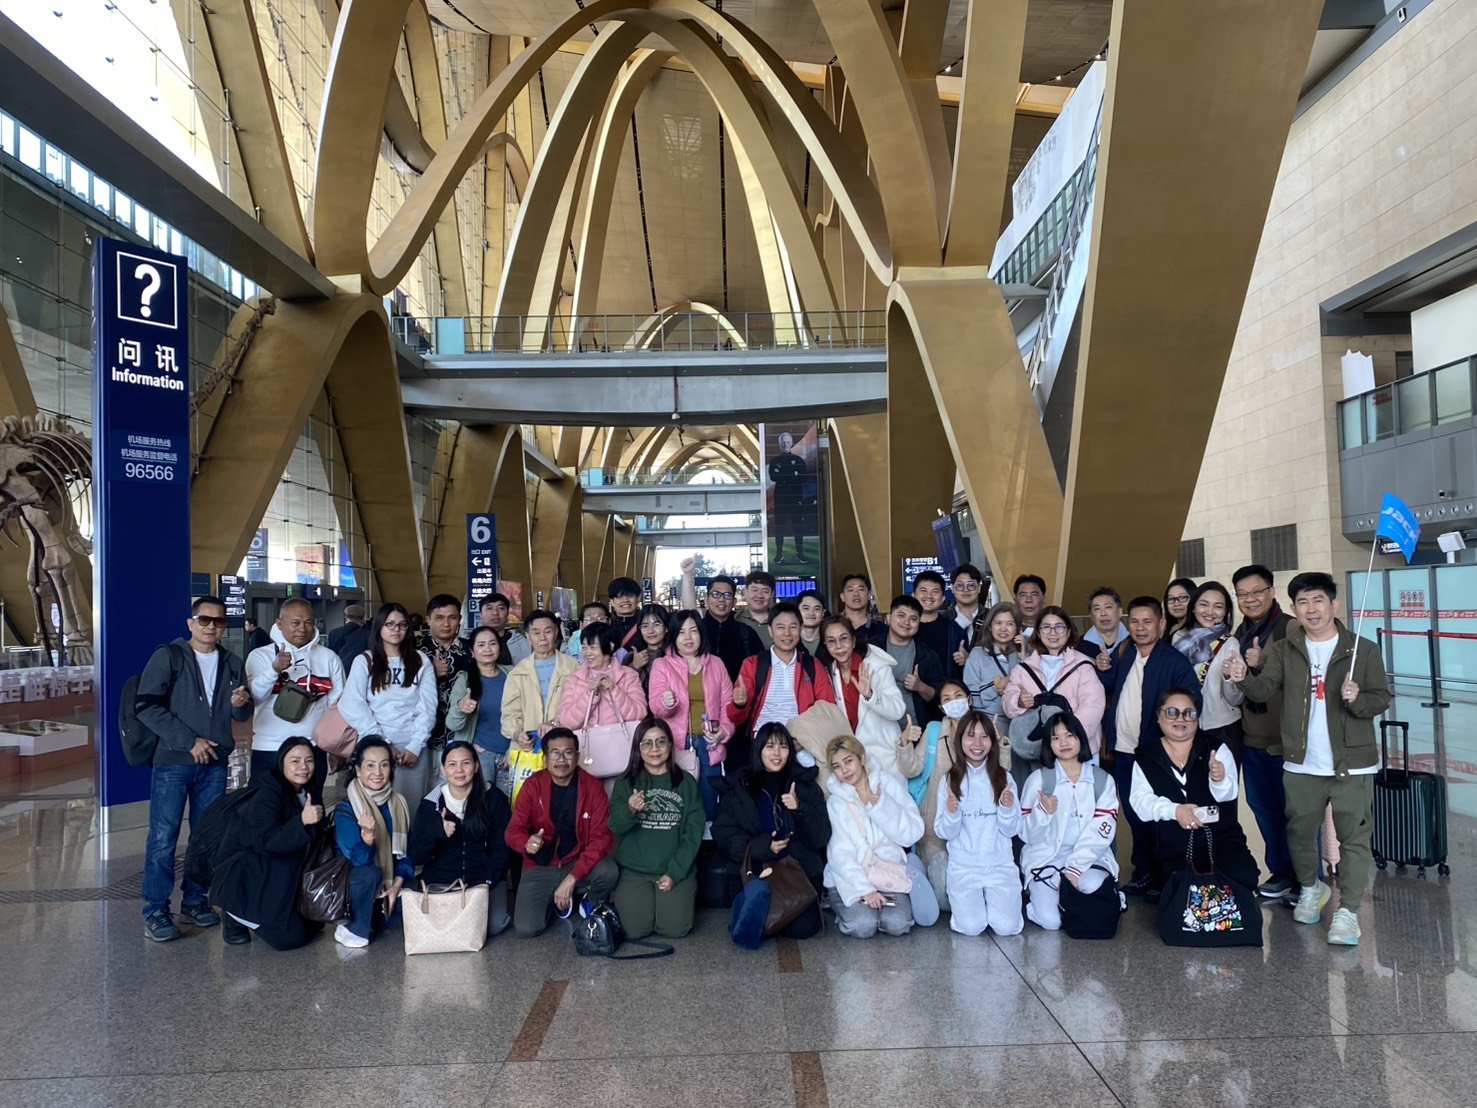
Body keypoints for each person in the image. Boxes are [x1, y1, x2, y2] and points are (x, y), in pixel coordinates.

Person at [1226, 571, 1391, 946]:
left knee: (1353, 838)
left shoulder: (1362, 649)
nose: (1311, 609)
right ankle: (1311, 888)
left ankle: (1348, 911)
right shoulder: (1286, 649)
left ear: (1334, 604)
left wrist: (1358, 699)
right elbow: (1264, 689)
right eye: (1302, 602)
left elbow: (1381, 698)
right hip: (1302, 762)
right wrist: (1242, 676)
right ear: (1294, 608)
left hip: (1352, 763)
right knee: (1299, 834)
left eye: (1318, 600)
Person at [135, 595, 254, 941]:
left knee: (205, 837)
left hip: (214, 763)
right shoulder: (169, 656)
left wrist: (241, 704)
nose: (211, 626)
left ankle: (195, 900)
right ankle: (155, 909)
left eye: (219, 621)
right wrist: (189, 741)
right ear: (191, 623)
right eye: (204, 619)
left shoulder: (232, 662)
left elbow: (242, 714)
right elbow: (147, 706)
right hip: (174, 762)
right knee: (163, 837)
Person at [1129, 688, 1259, 935]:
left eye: (1189, 713)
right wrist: (1175, 810)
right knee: (1181, 888)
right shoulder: (1146, 756)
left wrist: (1219, 779)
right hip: (1175, 844)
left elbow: (1229, 794)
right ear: (1159, 716)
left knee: (1244, 875)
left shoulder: (1215, 749)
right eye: (1172, 712)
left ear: (1197, 718)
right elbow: (1140, 802)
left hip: (1220, 837)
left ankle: (1226, 920)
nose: (1181, 719)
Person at [1105, 596, 1201, 901]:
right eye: (1134, 621)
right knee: (1134, 814)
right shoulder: (1125, 653)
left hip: (1156, 753)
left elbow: (1192, 702)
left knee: (1159, 815)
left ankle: (1165, 876)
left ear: (1160, 624)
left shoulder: (1173, 661)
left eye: (1148, 621)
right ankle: (1144, 871)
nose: (1141, 627)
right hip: (1124, 751)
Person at [713, 722, 831, 946]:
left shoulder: (804, 784)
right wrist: (761, 847)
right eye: (769, 746)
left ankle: (755, 920)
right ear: (758, 750)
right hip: (755, 871)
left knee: (805, 929)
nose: (776, 753)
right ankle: (756, 909)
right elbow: (723, 833)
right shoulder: (741, 786)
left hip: (796, 875)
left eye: (783, 746)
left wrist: (800, 809)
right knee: (768, 907)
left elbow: (820, 836)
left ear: (791, 751)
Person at [212, 737, 325, 949]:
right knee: (291, 939)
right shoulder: (267, 793)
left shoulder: (308, 792)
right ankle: (235, 912)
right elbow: (269, 843)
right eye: (295, 761)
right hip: (253, 875)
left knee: (314, 924)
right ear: (281, 762)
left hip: (281, 871)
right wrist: (301, 821)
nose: (303, 767)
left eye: (309, 760)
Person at [504, 728, 618, 937]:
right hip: (540, 866)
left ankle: (588, 900)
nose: (562, 760)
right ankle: (557, 900)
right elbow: (513, 831)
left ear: (577, 756)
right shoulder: (533, 786)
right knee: (527, 928)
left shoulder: (592, 787)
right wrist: (526, 843)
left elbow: (601, 838)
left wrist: (572, 878)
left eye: (568, 753)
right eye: (555, 753)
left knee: (608, 871)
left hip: (577, 861)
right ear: (545, 758)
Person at [1230, 563, 1298, 900]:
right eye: (1242, 594)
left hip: (1286, 741)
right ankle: (1281, 874)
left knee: (1295, 814)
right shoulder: (1241, 632)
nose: (1250, 599)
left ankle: (1306, 879)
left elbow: (1303, 677)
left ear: (1272, 591)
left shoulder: (1290, 628)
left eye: (1257, 592)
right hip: (1252, 737)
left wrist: (1262, 664)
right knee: (1264, 809)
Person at [1019, 712, 1120, 931]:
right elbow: (1026, 834)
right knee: (1051, 922)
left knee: (1089, 885)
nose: (1063, 743)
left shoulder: (1102, 780)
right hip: (1046, 859)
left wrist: (1074, 868)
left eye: (1069, 735)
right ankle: (1035, 901)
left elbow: (1102, 831)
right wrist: (1043, 813)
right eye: (1055, 738)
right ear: (1048, 744)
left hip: (1090, 858)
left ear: (1080, 738)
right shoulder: (1039, 780)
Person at [608, 718, 706, 940]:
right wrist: (629, 810)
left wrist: (675, 873)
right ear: (638, 748)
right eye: (647, 743)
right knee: (634, 931)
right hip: (635, 870)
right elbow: (615, 826)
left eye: (661, 742)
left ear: (670, 745)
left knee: (675, 929)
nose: (655, 749)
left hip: (674, 868)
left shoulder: (686, 783)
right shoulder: (626, 782)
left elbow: (693, 835)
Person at [408, 740, 513, 939]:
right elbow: (416, 856)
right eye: (452, 764)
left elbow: (503, 848)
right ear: (443, 769)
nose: (459, 770)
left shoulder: (493, 798)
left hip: (484, 880)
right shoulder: (431, 804)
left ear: (476, 766)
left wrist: (486, 882)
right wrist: (436, 831)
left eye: (466, 763)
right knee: (447, 924)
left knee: (493, 925)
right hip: (442, 883)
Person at [823, 734, 924, 939]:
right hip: (851, 879)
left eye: (848, 761)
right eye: (837, 766)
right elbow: (840, 854)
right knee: (862, 925)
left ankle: (877, 913)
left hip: (889, 872)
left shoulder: (887, 784)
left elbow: (912, 834)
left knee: (897, 924)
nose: (845, 770)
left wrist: (880, 807)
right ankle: (846, 910)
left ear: (861, 758)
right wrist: (864, 890)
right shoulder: (836, 802)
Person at [339, 602, 438, 804]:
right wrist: (381, 741)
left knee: (411, 806)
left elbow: (428, 706)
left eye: (402, 625)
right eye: (390, 624)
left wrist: (416, 745)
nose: (396, 629)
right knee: (375, 806)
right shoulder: (365, 661)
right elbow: (352, 704)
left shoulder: (420, 661)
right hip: (374, 745)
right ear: (379, 627)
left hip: (411, 748)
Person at [934, 712, 1022, 937]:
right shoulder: (949, 780)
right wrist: (952, 812)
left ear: (992, 741)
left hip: (999, 865)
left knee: (1006, 928)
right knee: (971, 927)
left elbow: (1012, 830)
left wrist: (1006, 808)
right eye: (970, 736)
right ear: (960, 740)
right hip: (964, 867)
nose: (977, 743)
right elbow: (944, 832)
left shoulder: (1005, 779)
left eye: (984, 737)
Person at [245, 598, 344, 798]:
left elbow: (337, 706)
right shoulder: (259, 656)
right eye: (295, 623)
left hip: (312, 749)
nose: (302, 629)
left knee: (312, 808)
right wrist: (274, 670)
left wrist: (335, 748)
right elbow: (253, 698)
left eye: (308, 623)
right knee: (264, 809)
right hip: (269, 748)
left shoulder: (329, 658)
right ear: (279, 623)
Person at [647, 609, 735, 819]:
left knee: (709, 795)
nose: (688, 637)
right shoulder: (662, 665)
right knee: (679, 797)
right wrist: (666, 703)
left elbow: (728, 704)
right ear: (673, 636)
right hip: (677, 742)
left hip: (709, 741)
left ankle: (708, 834)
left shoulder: (716, 664)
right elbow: (655, 707)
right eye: (681, 632)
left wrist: (724, 731)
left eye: (693, 631)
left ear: (701, 634)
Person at [1001, 606, 1105, 780]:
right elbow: (1007, 701)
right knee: (1043, 793)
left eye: (1059, 627)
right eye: (1046, 627)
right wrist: (1018, 701)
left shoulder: (1083, 666)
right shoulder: (1024, 668)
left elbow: (1093, 706)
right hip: (1040, 751)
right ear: (1038, 632)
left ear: (1068, 631)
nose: (1053, 633)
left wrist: (1067, 739)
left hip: (1078, 751)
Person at [331, 735, 414, 948]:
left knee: (418, 886)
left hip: (388, 883)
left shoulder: (398, 803)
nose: (377, 772)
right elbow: (359, 861)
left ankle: (378, 913)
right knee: (371, 873)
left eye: (384, 765)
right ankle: (354, 927)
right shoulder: (346, 808)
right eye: (370, 765)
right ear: (358, 770)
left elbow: (406, 854)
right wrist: (367, 835)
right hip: (355, 883)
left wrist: (396, 886)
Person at [898, 679, 970, 907]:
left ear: (969, 699)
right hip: (935, 820)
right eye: (947, 699)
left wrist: (1001, 746)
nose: (953, 702)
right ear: (941, 707)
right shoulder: (934, 730)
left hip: (973, 821)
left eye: (958, 696)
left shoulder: (984, 729)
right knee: (943, 898)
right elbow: (913, 769)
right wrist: (904, 743)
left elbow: (1000, 773)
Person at [728, 602, 837, 735]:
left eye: (793, 627)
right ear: (770, 630)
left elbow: (827, 707)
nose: (787, 633)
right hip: (764, 738)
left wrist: (808, 734)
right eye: (780, 627)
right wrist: (739, 705)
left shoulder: (812, 665)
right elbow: (735, 718)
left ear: (800, 629)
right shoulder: (753, 664)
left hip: (802, 737)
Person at [819, 616, 908, 775]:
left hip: (883, 755)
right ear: (825, 645)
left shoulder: (876, 667)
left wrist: (870, 695)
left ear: (853, 641)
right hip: (851, 758)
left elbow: (898, 710)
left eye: (844, 639)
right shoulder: (828, 671)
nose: (839, 646)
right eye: (831, 641)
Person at [1173, 581, 1246, 766]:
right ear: (1193, 607)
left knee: (1223, 782)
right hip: (1185, 724)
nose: (1210, 611)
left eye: (1218, 606)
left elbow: (1235, 700)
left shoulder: (1230, 644)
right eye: (1204, 604)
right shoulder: (1178, 639)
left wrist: (1230, 678)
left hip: (1223, 728)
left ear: (1226, 611)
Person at [503, 609, 577, 763]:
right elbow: (509, 714)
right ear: (527, 636)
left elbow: (579, 707)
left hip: (565, 748)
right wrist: (517, 734)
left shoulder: (574, 668)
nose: (542, 638)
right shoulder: (517, 673)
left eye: (548, 631)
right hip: (528, 751)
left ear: (556, 632)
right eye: (536, 633)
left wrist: (556, 723)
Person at [447, 626, 511, 791]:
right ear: (472, 651)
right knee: (481, 801)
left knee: (508, 803)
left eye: (492, 643)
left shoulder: (512, 674)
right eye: (481, 645)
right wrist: (460, 708)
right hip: (480, 754)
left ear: (500, 647)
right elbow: (452, 724)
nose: (487, 649)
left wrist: (515, 747)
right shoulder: (465, 680)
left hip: (510, 753)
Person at [557, 622, 647, 732]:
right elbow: (566, 722)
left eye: (593, 647)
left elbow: (640, 713)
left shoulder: (628, 675)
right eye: (584, 647)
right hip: (587, 742)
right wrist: (588, 695)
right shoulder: (573, 679)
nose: (587, 653)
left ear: (610, 646)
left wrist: (614, 691)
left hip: (620, 740)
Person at [678, 564, 761, 680]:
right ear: (706, 599)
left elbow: (759, 669)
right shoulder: (697, 630)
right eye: (715, 594)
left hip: (738, 690)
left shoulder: (747, 633)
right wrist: (687, 574)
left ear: (734, 601)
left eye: (727, 595)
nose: (721, 599)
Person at [874, 595, 947, 724]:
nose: (906, 622)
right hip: (878, 726)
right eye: (901, 616)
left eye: (913, 619)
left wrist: (920, 686)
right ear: (888, 618)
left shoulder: (927, 654)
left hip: (914, 726)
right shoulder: (871, 648)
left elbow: (939, 696)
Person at [416, 593, 474, 751]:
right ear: (428, 620)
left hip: (462, 732)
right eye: (439, 618)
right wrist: (430, 673)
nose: (446, 624)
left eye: (452, 618)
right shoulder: (414, 650)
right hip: (422, 733)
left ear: (460, 619)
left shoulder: (472, 649)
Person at [964, 601, 1023, 721]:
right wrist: (998, 685)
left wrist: (1023, 659)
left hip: (1017, 722)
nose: (1003, 629)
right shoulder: (977, 654)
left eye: (1010, 624)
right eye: (998, 623)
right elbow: (971, 696)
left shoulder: (1023, 656)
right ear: (990, 626)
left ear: (1017, 628)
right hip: (986, 720)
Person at [913, 570, 968, 680]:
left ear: (943, 599)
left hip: (945, 688)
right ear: (913, 596)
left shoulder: (955, 630)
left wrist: (967, 659)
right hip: (908, 688)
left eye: (935, 591)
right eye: (923, 590)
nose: (929, 596)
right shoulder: (904, 627)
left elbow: (967, 664)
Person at [769, 429, 812, 564]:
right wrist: (792, 475)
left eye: (787, 442)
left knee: (798, 526)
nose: (785, 444)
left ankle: (800, 554)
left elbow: (803, 477)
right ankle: (779, 554)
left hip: (795, 498)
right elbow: (773, 476)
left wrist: (783, 476)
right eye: (783, 442)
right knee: (779, 527)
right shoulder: (775, 461)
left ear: (792, 442)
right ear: (779, 443)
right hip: (780, 498)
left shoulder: (798, 460)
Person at [1083, 587, 1129, 689]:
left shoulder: (1133, 643)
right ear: (1091, 616)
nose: (1103, 613)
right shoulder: (1081, 648)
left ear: (1120, 611)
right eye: (1097, 609)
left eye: (1108, 607)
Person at [476, 592, 531, 666]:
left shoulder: (522, 643)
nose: (495, 613)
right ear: (481, 615)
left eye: (501, 608)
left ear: (507, 613)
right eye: (489, 608)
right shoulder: (472, 642)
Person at [628, 602, 670, 685]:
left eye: (656, 625)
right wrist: (634, 666)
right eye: (645, 626)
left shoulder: (676, 655)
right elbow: (621, 687)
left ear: (666, 628)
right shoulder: (631, 657)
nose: (650, 631)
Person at [945, 563, 987, 645]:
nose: (965, 590)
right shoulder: (943, 619)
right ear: (953, 589)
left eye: (971, 585)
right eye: (960, 585)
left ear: (979, 588)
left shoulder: (991, 617)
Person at [325, 603, 371, 674]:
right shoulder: (368, 634)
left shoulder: (334, 633)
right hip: (360, 671)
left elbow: (329, 655)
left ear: (346, 617)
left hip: (338, 671)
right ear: (362, 618)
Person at [605, 577, 645, 656]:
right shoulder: (605, 625)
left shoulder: (646, 623)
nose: (625, 600)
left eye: (630, 595)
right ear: (612, 602)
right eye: (619, 596)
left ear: (638, 599)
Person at [737, 570, 776, 648]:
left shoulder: (779, 620)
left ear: (772, 594)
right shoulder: (734, 619)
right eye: (755, 590)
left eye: (765, 591)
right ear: (745, 591)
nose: (759, 595)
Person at [837, 573, 884, 637]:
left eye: (861, 589)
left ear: (869, 595)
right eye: (850, 590)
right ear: (842, 597)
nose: (856, 594)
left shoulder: (880, 628)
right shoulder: (832, 625)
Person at [795, 589, 828, 656]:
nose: (811, 613)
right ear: (797, 611)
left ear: (823, 613)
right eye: (806, 608)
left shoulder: (830, 640)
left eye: (816, 609)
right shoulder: (790, 640)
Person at [1013, 574, 1047, 638]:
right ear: (1015, 601)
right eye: (1023, 595)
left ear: (1044, 599)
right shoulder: (1006, 631)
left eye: (1034, 594)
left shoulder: (1054, 631)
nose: (1029, 600)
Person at [1162, 578, 1196, 642]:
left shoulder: (1198, 631)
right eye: (1171, 599)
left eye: (1183, 597)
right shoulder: (1167, 628)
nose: (1176, 603)